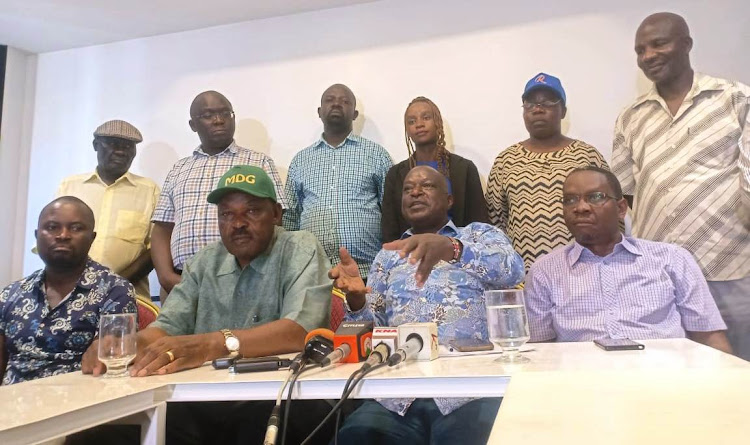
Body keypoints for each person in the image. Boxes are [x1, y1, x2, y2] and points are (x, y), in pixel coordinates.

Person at [83, 165, 331, 444]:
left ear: (275, 214)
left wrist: (212, 344)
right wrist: (130, 343)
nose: (237, 223)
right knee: (103, 433)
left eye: (251, 211)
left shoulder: (300, 247)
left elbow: (300, 330)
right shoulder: (204, 261)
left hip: (276, 395)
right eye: (226, 214)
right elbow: (167, 327)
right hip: (203, 396)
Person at [330, 166, 524, 444]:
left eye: (427, 186)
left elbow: (513, 270)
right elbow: (376, 332)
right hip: (398, 393)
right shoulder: (388, 255)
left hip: (470, 388)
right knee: (356, 436)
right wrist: (357, 300)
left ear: (449, 200)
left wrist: (452, 248)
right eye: (408, 189)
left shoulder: (479, 235)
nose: (416, 192)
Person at [611, 12, 750, 359]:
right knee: (669, 378)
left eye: (658, 44)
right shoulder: (631, 117)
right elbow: (625, 196)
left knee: (738, 375)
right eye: (640, 50)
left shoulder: (736, 100)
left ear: (686, 44)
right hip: (659, 277)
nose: (648, 56)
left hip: (728, 268)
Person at [525, 167, 731, 354]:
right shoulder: (545, 271)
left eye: (595, 197)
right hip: (584, 382)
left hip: (664, 377)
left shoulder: (671, 259)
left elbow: (709, 337)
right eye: (570, 200)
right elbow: (541, 351)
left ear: (621, 208)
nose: (580, 207)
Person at [151, 91, 286, 299]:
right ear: (193, 125)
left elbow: (276, 223)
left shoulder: (258, 162)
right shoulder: (179, 169)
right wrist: (166, 277)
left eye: (225, 113)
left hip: (242, 282)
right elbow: (161, 228)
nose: (218, 120)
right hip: (180, 283)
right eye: (208, 115)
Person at [0, 197, 136, 385]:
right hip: (11, 404)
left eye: (76, 228)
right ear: (37, 235)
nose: (63, 235)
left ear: (92, 238)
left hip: (77, 405)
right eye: (52, 227)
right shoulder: (11, 294)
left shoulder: (114, 291)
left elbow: (111, 367)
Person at [486, 73, 609, 269]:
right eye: (530, 104)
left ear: (563, 111)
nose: (537, 109)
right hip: (525, 280)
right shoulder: (505, 161)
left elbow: (610, 218)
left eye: (548, 102)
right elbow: (495, 223)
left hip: (585, 273)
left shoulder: (587, 156)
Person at [283, 84, 392, 279]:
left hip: (369, 272)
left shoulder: (377, 155)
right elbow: (291, 217)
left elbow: (391, 212)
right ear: (319, 111)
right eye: (330, 99)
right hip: (312, 274)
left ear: (355, 114)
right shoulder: (301, 160)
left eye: (345, 101)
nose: (336, 104)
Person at [56, 119, 159, 303]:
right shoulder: (70, 186)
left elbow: (155, 250)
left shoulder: (149, 190)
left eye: (128, 146)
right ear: (96, 145)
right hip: (68, 297)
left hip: (128, 299)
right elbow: (52, 242)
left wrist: (113, 286)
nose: (121, 151)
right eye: (113, 144)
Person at [381, 97, 488, 243]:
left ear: (438, 122)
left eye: (426, 117)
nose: (419, 124)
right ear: (407, 130)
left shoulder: (464, 169)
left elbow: (479, 222)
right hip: (410, 256)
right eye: (412, 121)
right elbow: (390, 227)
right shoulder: (396, 175)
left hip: (458, 254)